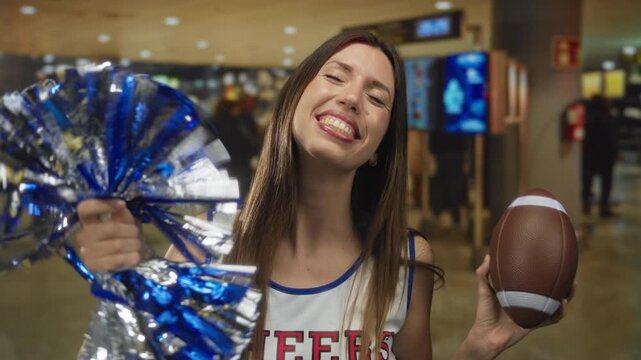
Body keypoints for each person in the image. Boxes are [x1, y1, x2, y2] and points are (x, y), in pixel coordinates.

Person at [75, 30, 571, 359]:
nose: (352, 97)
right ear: (293, 100)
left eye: (378, 97)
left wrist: (480, 347)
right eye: (335, 76)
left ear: (379, 146)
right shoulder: (204, 250)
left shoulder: (405, 261)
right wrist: (131, 288)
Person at [581, 95, 619, 218]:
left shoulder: (587, 118)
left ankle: (586, 205)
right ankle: (603, 208)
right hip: (605, 156)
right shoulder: (608, 118)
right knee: (606, 183)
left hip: (590, 155)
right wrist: (615, 153)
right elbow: (612, 139)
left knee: (587, 182)